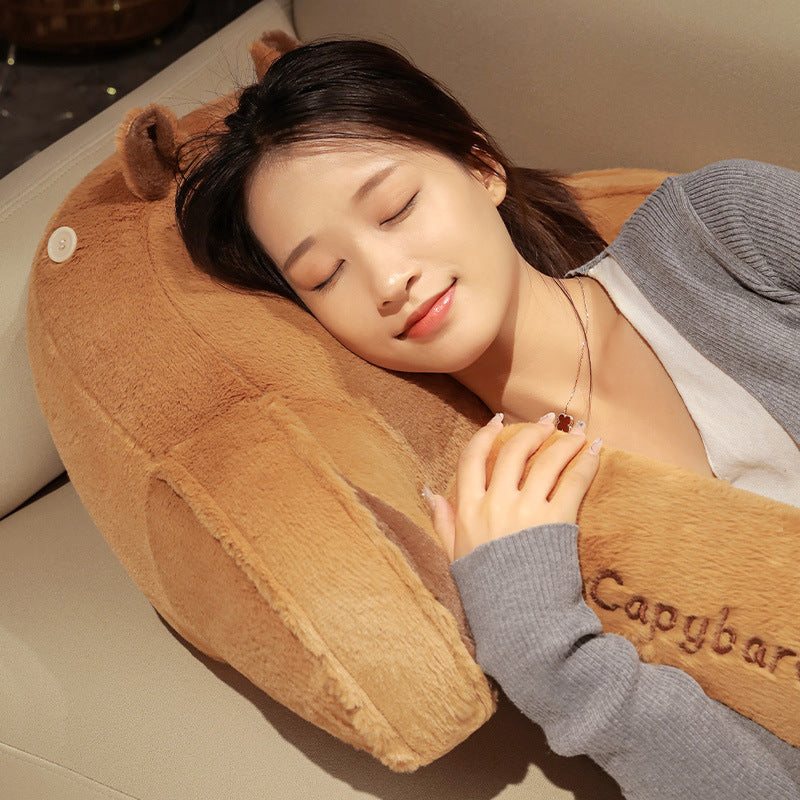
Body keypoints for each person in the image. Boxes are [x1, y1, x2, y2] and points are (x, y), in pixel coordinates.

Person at [175, 39, 800, 799]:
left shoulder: (721, 233)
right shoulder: (496, 532)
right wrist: (537, 644)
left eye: (396, 209)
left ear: (482, 167)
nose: (388, 279)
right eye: (325, 274)